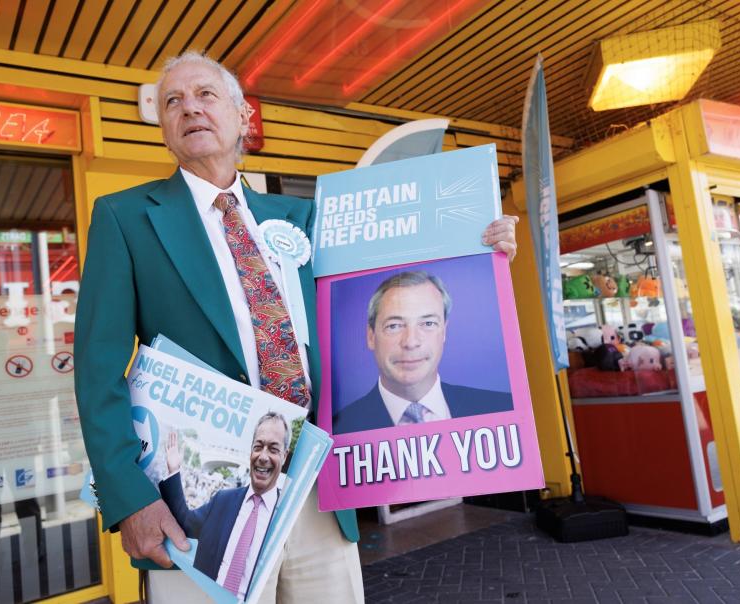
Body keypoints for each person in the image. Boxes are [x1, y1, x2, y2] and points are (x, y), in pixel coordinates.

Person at [74, 49, 518, 603]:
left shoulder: (301, 217)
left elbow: (393, 274)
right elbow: (97, 372)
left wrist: (478, 250)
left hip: (317, 486)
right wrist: (131, 499)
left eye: (206, 95)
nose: (190, 108)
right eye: (173, 102)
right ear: (164, 129)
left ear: (243, 117)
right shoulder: (125, 218)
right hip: (199, 502)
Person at [333, 271, 514, 435]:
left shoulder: (503, 408)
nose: (411, 342)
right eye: (394, 326)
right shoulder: (337, 430)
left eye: (428, 324)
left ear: (444, 331)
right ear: (371, 336)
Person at [159, 413, 289, 599]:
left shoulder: (286, 514)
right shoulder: (222, 500)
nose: (263, 456)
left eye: (273, 449)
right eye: (258, 447)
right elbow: (185, 522)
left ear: (284, 456)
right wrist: (174, 471)